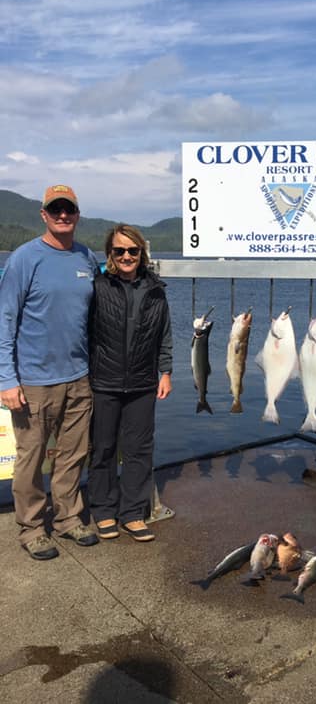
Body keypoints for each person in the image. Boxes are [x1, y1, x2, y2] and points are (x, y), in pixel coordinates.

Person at [0, 184, 99, 559]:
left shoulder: (86, 258)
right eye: (54, 209)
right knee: (30, 458)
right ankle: (30, 528)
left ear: (77, 214)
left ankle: (68, 519)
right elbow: (4, 320)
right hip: (34, 382)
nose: (62, 215)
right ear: (43, 214)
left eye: (68, 209)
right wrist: (6, 380)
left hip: (78, 377)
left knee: (72, 455)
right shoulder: (26, 258)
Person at [88, 224, 172, 542]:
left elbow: (164, 335)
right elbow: (84, 333)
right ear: (110, 254)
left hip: (142, 384)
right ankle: (104, 510)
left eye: (132, 251)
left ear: (142, 253)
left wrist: (165, 371)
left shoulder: (155, 290)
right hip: (103, 382)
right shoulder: (98, 286)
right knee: (103, 450)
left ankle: (133, 513)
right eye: (119, 250)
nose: (126, 256)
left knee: (139, 451)